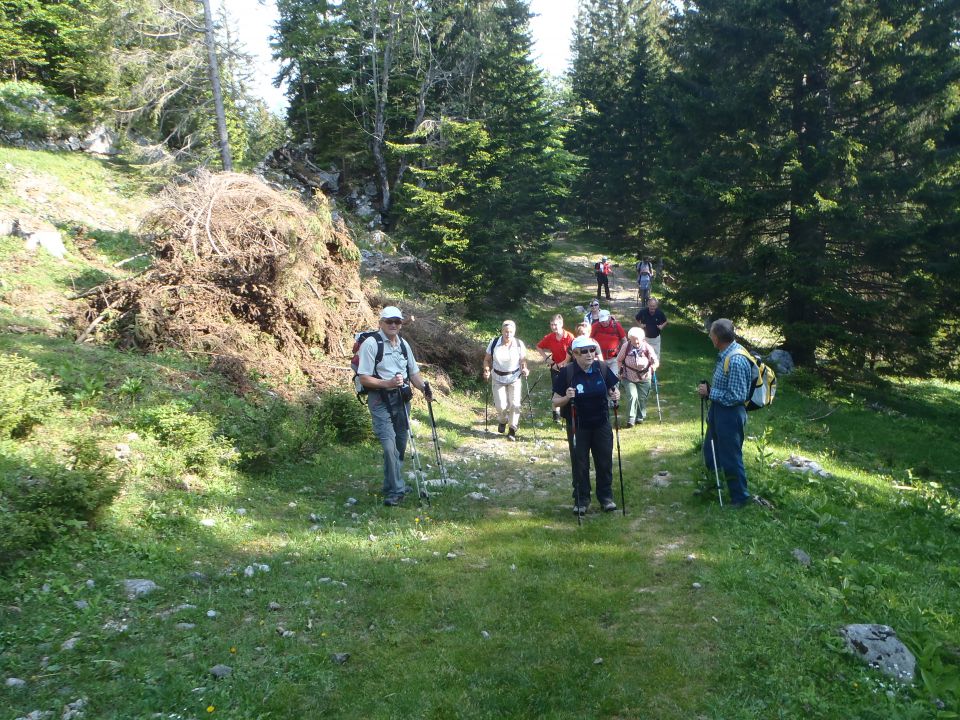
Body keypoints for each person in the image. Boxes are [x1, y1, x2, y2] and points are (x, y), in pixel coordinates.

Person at [357, 306, 432, 507]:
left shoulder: (403, 345)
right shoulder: (371, 344)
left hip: (402, 400)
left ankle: (392, 483)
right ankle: (397, 490)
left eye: (397, 322)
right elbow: (363, 378)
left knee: (400, 443)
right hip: (380, 400)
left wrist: (424, 389)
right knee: (389, 446)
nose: (393, 325)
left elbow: (413, 373)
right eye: (389, 321)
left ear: (401, 324)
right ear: (380, 323)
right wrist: (387, 384)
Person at [552, 335, 621, 514]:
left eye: (592, 350)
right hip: (578, 426)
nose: (590, 354)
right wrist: (567, 397)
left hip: (601, 424)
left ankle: (606, 498)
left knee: (604, 461)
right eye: (584, 351)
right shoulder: (567, 373)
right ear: (575, 354)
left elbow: (614, 389)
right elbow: (555, 401)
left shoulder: (602, 369)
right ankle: (582, 499)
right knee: (580, 463)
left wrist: (616, 396)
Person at [698, 319, 752, 507]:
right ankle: (714, 485)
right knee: (711, 450)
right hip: (719, 410)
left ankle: (740, 497)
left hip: (730, 414)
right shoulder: (725, 353)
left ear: (718, 338)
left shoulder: (736, 360)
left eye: (711, 334)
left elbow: (737, 395)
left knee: (731, 456)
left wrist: (711, 392)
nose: (710, 337)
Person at [483, 320, 529, 441]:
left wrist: (524, 369)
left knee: (515, 404)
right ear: (502, 331)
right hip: (498, 378)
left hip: (514, 377)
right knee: (500, 406)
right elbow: (487, 359)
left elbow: (523, 360)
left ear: (514, 332)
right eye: (506, 331)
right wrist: (486, 370)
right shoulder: (494, 343)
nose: (508, 334)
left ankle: (512, 429)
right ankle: (503, 420)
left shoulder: (519, 344)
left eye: (511, 332)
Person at [616, 327, 659, 427]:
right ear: (630, 339)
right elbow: (619, 360)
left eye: (638, 341)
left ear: (642, 338)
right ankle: (631, 419)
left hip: (644, 377)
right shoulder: (626, 346)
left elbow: (655, 360)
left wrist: (654, 365)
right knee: (632, 396)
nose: (636, 343)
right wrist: (620, 370)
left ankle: (640, 416)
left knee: (641, 398)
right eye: (633, 341)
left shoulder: (647, 347)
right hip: (628, 376)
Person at [536, 314, 575, 423]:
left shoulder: (569, 337)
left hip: (568, 366)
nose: (554, 327)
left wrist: (564, 363)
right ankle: (556, 415)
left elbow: (573, 352)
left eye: (556, 325)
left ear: (561, 324)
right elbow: (539, 346)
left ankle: (568, 411)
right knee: (556, 389)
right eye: (552, 325)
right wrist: (547, 360)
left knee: (569, 388)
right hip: (555, 367)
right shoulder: (550, 337)